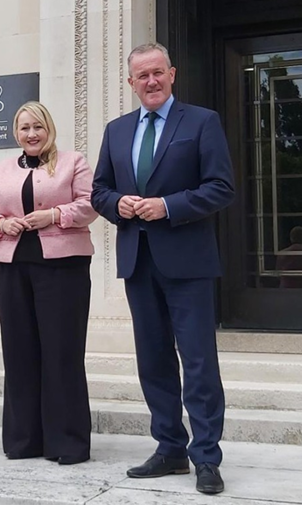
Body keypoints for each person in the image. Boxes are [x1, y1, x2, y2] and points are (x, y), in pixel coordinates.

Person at [91, 43, 235, 494]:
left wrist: (168, 206)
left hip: (188, 263)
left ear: (171, 74)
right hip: (139, 262)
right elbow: (98, 191)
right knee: (153, 361)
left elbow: (221, 187)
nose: (150, 82)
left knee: (198, 363)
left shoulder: (201, 122)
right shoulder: (116, 131)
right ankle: (170, 448)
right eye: (142, 76)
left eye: (157, 73)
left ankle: (206, 457)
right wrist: (121, 204)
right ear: (131, 82)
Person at [0, 101, 98, 465]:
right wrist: (0, 224)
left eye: (38, 127)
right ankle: (24, 440)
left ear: (50, 129)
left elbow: (92, 203)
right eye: (24, 128)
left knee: (62, 352)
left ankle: (67, 443)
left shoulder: (73, 162)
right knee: (19, 351)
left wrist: (55, 215)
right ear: (16, 133)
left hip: (63, 268)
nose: (31, 134)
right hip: (12, 267)